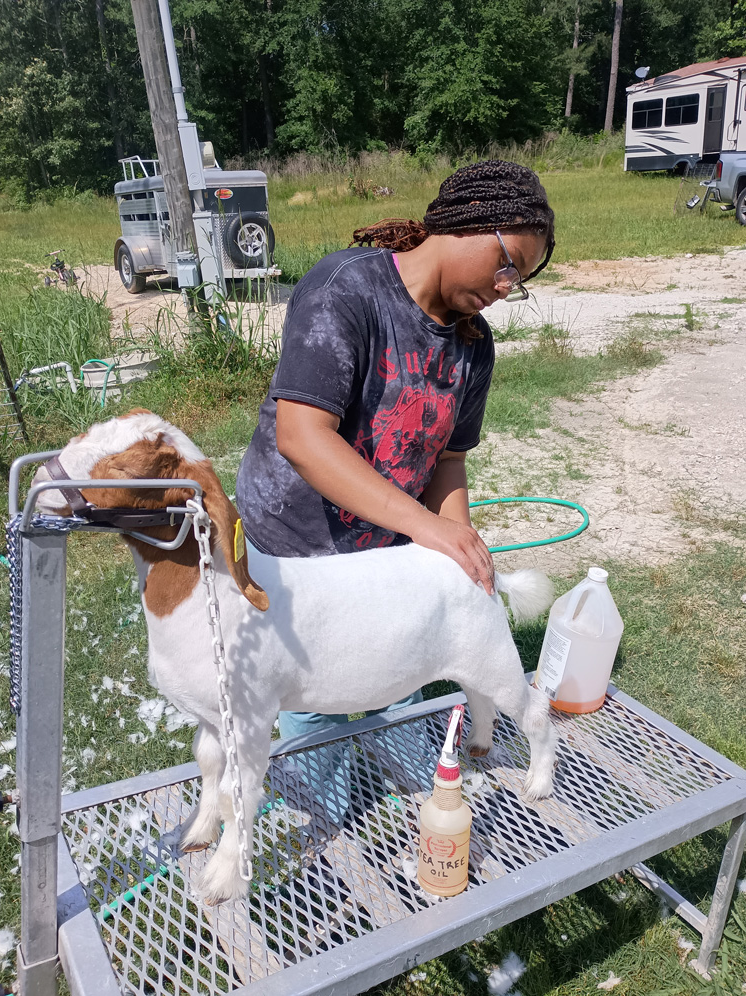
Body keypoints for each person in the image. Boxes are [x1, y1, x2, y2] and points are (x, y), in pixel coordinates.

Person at [235, 159, 555, 818]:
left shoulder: (473, 345)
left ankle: (404, 816)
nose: (505, 287)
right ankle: (319, 832)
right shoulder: (346, 289)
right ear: (467, 223)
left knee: (400, 691)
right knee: (310, 705)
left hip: (387, 561)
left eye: (518, 280)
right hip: (300, 556)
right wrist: (426, 528)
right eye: (507, 264)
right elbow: (303, 436)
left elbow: (449, 461)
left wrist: (455, 540)